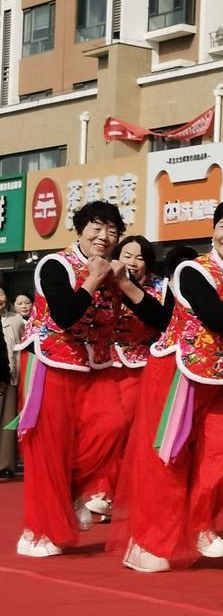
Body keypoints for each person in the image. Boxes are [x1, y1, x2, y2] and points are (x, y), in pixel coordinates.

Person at [111, 201, 223, 574]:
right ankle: (148, 543)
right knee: (169, 458)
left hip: (219, 376)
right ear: (213, 230)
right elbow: (218, 320)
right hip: (178, 375)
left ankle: (200, 525)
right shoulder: (192, 270)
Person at [13, 202, 127, 557]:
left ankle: (71, 491)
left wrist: (120, 280)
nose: (103, 237)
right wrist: (93, 277)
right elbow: (63, 315)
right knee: (50, 447)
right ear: (80, 230)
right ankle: (36, 532)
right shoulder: (55, 264)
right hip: (51, 362)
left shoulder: (116, 272)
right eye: (96, 227)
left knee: (114, 423)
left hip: (94, 365)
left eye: (111, 231)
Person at [82, 236, 170, 520]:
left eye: (139, 257)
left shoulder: (161, 286)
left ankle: (114, 494)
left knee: (130, 433)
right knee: (107, 429)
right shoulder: (102, 282)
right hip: (106, 364)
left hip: (141, 367)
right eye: (127, 255)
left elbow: (163, 321)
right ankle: (102, 491)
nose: (132, 262)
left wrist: (128, 287)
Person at [0, 286, 23, 480]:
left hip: (11, 375)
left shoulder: (16, 320)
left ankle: (6, 465)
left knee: (8, 421)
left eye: (0, 293)